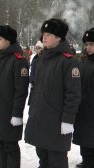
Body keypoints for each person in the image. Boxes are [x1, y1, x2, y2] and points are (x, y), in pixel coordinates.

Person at [24, 18, 81, 168]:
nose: (44, 37)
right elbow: (37, 89)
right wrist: (32, 111)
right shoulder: (42, 59)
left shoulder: (70, 62)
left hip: (57, 121)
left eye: (49, 34)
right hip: (40, 118)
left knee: (57, 160)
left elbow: (73, 94)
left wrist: (68, 120)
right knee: (42, 157)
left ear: (59, 37)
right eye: (43, 33)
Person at [0, 25, 29, 168]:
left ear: (9, 40)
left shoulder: (18, 60)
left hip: (8, 112)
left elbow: (20, 91)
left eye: (0, 39)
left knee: (10, 145)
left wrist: (17, 114)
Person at [73, 28, 94, 168]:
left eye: (91, 44)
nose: (88, 47)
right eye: (86, 44)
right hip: (83, 109)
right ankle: (86, 160)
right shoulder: (83, 62)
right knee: (84, 139)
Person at [28, 40, 43, 105]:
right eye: (36, 48)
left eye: (39, 48)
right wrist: (31, 79)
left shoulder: (44, 58)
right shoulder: (35, 58)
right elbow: (32, 69)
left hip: (40, 82)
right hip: (34, 82)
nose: (37, 50)